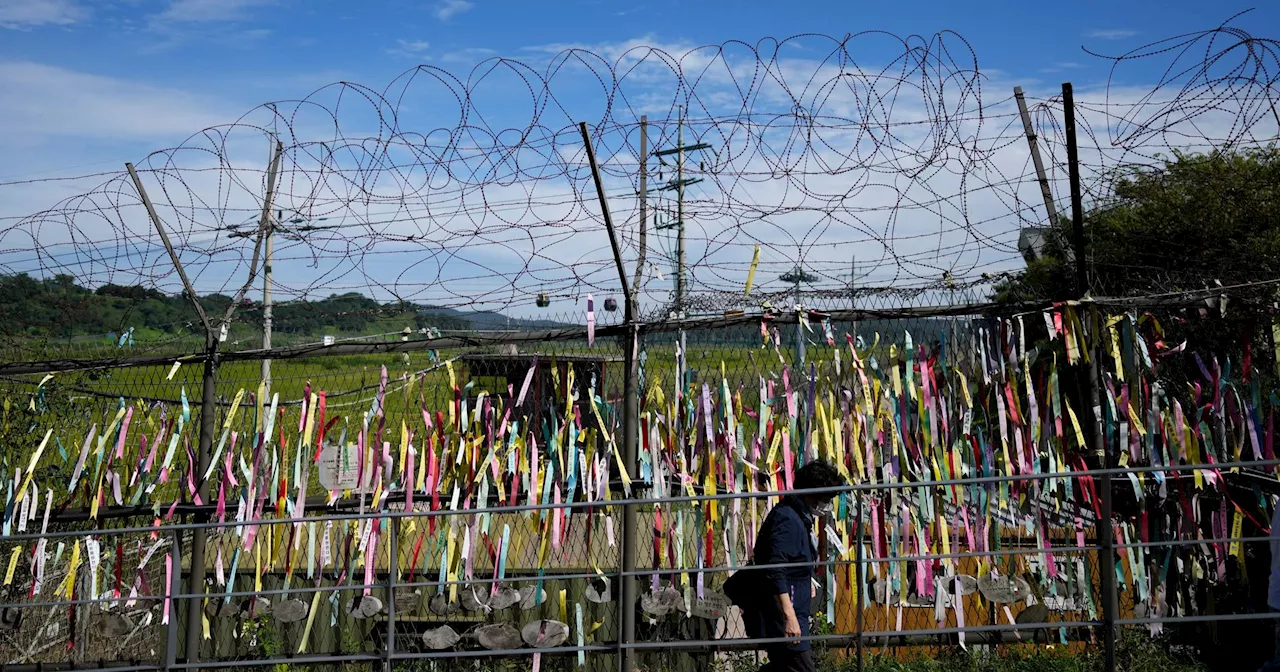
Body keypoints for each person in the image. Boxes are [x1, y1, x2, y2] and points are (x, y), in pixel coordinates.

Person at [728, 459, 845, 672]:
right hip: (784, 613)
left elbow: (792, 559)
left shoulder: (798, 516)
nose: (827, 505)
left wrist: (804, 577)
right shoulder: (788, 519)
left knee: (784, 666)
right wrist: (789, 617)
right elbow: (775, 568)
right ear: (812, 493)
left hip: (793, 608)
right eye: (826, 498)